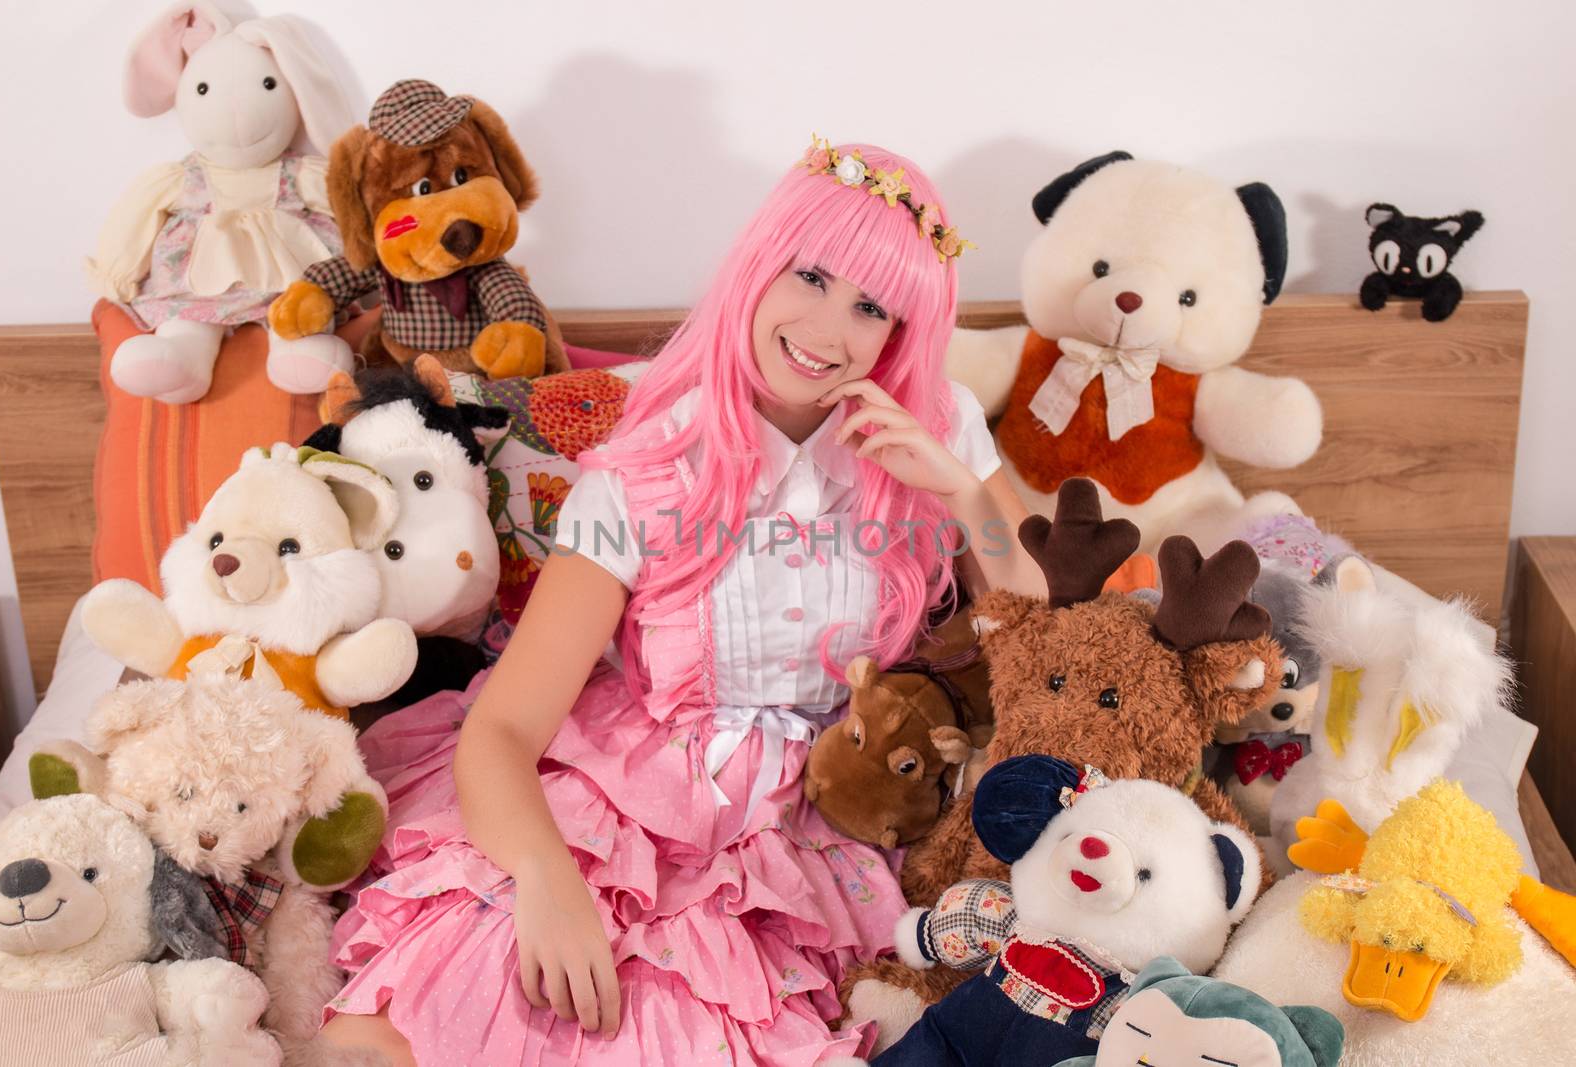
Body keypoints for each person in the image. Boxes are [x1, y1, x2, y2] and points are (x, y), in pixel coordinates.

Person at [320, 139, 1046, 1065]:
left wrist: (956, 489)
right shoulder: (650, 466)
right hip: (624, 791)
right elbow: (501, 728)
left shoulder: (937, 425)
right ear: (760, 264)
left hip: (817, 814)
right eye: (812, 277)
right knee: (404, 1025)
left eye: (872, 306)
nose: (829, 327)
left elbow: (1042, 618)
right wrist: (547, 879)